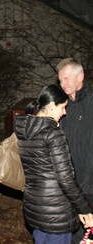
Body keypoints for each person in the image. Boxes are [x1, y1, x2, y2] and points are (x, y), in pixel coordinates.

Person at [14, 84, 93, 244]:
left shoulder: (25, 131)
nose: (65, 112)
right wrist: (84, 209)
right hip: (56, 212)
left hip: (34, 207)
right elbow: (65, 179)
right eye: (63, 107)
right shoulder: (53, 134)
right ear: (50, 107)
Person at [57, 57, 93, 244]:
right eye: (60, 80)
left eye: (66, 79)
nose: (62, 84)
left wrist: (86, 182)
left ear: (80, 76)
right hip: (67, 184)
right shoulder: (62, 106)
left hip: (89, 185)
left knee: (87, 235)